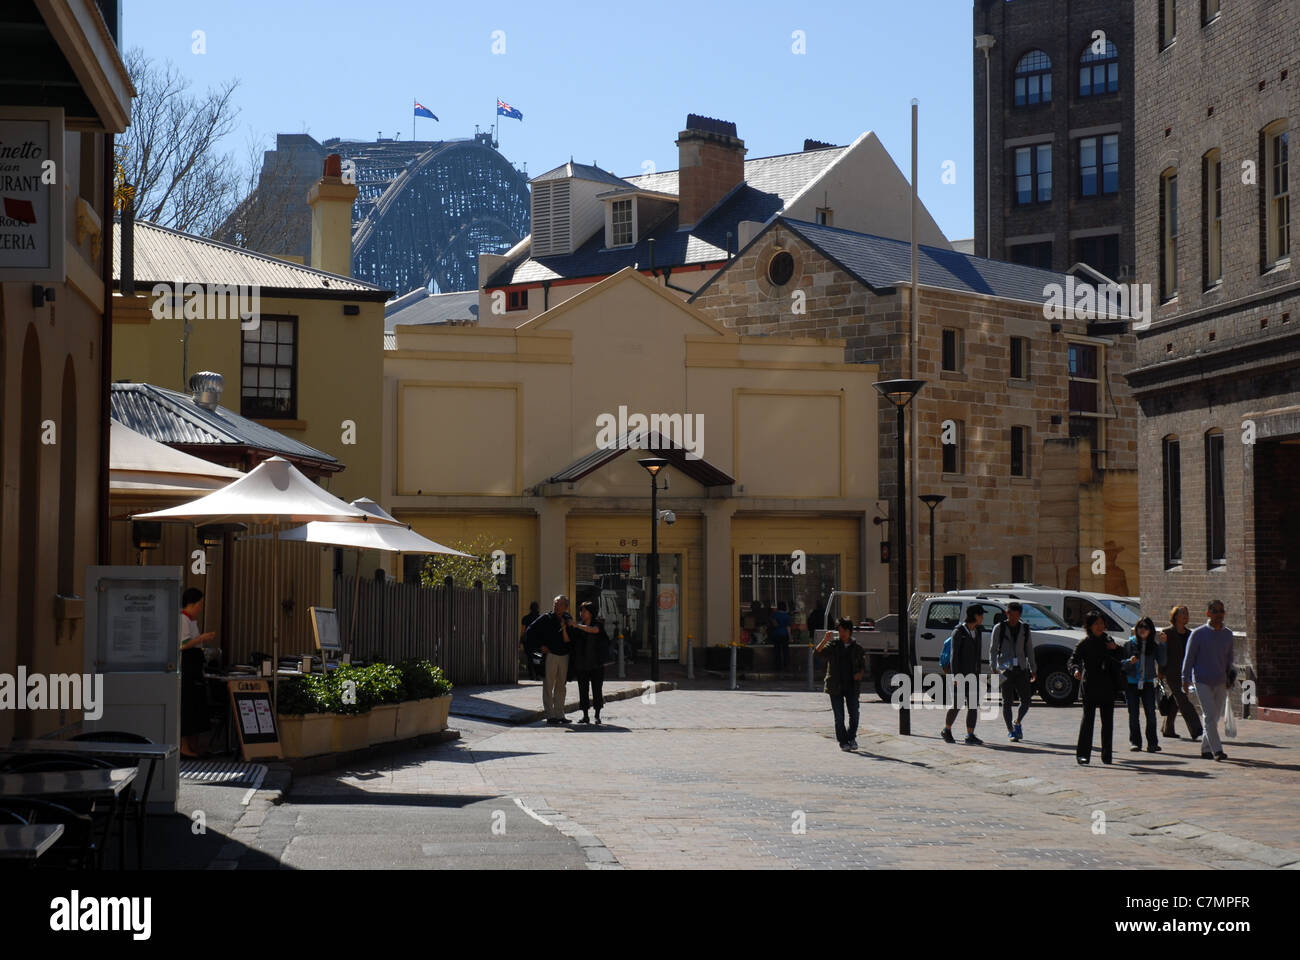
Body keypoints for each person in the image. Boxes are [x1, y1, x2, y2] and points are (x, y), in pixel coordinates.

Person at [1069, 610, 1127, 765]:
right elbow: (1073, 660)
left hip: (1108, 686)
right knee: (1087, 722)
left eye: (1102, 623)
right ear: (1089, 626)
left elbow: (1121, 657)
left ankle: (1107, 755)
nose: (1100, 626)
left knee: (1108, 723)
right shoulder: (1084, 643)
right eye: (1096, 624)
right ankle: (1083, 755)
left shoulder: (1108, 640)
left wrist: (1115, 648)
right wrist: (1076, 670)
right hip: (1090, 686)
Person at [1182, 599, 1236, 761]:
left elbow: (1229, 659)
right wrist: (1185, 678)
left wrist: (1230, 677)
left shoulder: (1228, 634)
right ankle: (1217, 751)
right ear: (1208, 613)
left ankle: (1206, 748)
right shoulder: (1198, 634)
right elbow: (1189, 658)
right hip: (1201, 680)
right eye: (1215, 611)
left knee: (1214, 717)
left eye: (1221, 611)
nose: (1219, 614)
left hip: (1220, 680)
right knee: (1210, 715)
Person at [815, 617, 866, 751]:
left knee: (854, 714)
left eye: (844, 630)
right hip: (835, 685)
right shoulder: (833, 646)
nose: (842, 633)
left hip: (852, 686)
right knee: (839, 716)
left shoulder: (857, 648)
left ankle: (851, 737)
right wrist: (824, 640)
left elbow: (862, 666)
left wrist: (859, 674)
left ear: (850, 631)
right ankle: (843, 741)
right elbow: (817, 653)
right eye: (840, 630)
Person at [989, 601, 1036, 742]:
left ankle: (1017, 722)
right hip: (1005, 669)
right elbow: (992, 649)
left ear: (1020, 615)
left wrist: (1033, 669)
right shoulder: (999, 628)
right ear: (1007, 613)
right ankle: (1010, 730)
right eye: (1010, 614)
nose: (1013, 618)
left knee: (1026, 700)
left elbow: (1029, 650)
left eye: (1016, 615)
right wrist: (994, 667)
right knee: (1007, 701)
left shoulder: (1025, 629)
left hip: (1021, 668)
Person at [179, 587, 217, 758]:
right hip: (187, 668)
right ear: (192, 603)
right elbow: (183, 644)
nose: (201, 607)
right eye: (200, 604)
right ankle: (184, 746)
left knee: (197, 708)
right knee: (189, 708)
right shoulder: (183, 619)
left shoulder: (191, 620)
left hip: (195, 667)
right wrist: (202, 638)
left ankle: (194, 746)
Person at [524, 595, 573, 724]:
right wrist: (540, 646)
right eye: (555, 603)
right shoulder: (546, 618)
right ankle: (550, 715)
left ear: (566, 607)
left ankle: (560, 714)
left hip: (564, 656)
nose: (556, 606)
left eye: (560, 604)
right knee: (548, 685)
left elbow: (571, 637)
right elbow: (530, 630)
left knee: (561, 686)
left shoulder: (568, 619)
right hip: (551, 655)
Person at [942, 605, 984, 745]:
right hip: (960, 675)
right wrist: (955, 676)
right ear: (975, 616)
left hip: (973, 675)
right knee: (957, 704)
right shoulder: (959, 632)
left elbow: (978, 654)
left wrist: (978, 672)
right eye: (981, 615)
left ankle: (970, 735)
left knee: (973, 705)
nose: (982, 617)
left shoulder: (977, 631)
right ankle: (946, 730)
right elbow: (954, 656)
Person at [1159, 606, 1203, 741]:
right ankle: (1197, 729)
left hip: (1185, 672)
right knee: (1183, 699)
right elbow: (1162, 653)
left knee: (1175, 699)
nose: (1186, 615)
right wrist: (1160, 671)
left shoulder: (1190, 634)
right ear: (1175, 616)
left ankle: (1167, 728)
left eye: (1187, 613)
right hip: (1171, 672)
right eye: (1182, 613)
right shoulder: (1167, 633)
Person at [1123, 616, 1166, 753]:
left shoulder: (1153, 646)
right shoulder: (1129, 644)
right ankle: (1135, 742)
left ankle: (1152, 743)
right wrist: (1130, 662)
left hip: (1147, 683)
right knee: (1133, 714)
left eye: (1146, 627)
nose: (1142, 629)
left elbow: (1163, 662)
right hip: (1132, 683)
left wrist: (1163, 645)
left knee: (1151, 714)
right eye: (1140, 626)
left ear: (1150, 630)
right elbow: (1121, 664)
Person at [570, 601, 608, 724]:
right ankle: (585, 715)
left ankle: (597, 715)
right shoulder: (579, 626)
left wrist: (577, 626)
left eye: (584, 611)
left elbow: (594, 630)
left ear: (591, 613)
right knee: (583, 690)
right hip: (582, 664)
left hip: (596, 664)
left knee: (597, 690)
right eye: (581, 611)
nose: (582, 613)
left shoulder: (597, 624)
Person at [520, 601, 543, 681]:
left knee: (530, 659)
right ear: (538, 608)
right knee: (537, 658)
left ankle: (531, 675)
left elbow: (523, 631)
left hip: (528, 642)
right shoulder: (540, 618)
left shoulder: (525, 618)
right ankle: (537, 675)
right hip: (537, 642)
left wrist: (521, 641)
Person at [769, 601, 792, 672]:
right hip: (784, 634)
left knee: (777, 651)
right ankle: (786, 665)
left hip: (775, 634)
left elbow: (772, 624)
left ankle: (777, 666)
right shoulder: (787, 616)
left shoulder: (774, 615)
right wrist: (790, 636)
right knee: (785, 651)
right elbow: (788, 627)